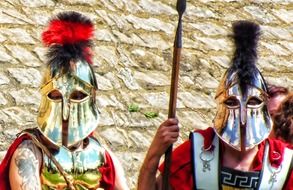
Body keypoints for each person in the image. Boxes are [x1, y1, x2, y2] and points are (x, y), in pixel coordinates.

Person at [137, 21, 293, 190]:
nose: (242, 115)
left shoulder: (282, 161)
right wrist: (155, 153)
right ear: (221, 104)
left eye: (252, 103)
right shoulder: (198, 150)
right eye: (232, 102)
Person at [0, 11, 128, 190]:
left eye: (77, 97)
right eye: (56, 97)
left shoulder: (101, 154)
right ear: (46, 97)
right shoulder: (30, 152)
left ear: (91, 99)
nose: (66, 112)